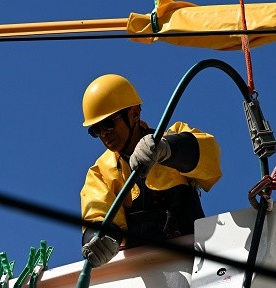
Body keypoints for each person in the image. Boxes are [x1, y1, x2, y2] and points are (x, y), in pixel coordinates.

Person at [80, 74, 222, 268]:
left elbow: (210, 159)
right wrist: (98, 241)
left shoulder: (171, 137)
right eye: (96, 129)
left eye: (108, 123)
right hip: (145, 272)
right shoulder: (101, 172)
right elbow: (97, 216)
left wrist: (168, 149)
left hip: (196, 260)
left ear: (134, 114)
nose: (104, 134)